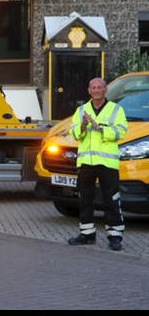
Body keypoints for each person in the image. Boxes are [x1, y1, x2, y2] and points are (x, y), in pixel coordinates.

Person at [67, 77, 127, 251]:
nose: (96, 90)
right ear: (88, 90)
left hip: (107, 163)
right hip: (86, 162)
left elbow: (120, 132)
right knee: (85, 199)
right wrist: (84, 126)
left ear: (105, 90)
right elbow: (74, 133)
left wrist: (99, 128)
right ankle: (87, 234)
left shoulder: (116, 110)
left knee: (112, 199)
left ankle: (115, 236)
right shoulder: (81, 110)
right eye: (93, 87)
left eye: (100, 87)